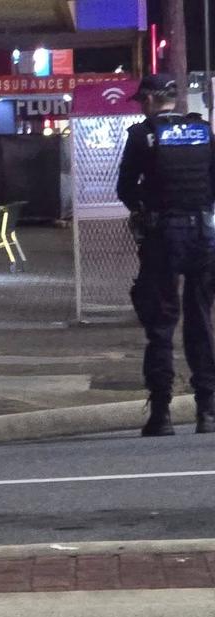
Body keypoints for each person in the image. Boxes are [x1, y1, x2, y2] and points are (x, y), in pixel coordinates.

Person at [116, 74, 215, 436]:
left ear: (149, 100)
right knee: (201, 321)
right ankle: (208, 410)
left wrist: (145, 208)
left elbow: (125, 188)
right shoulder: (204, 132)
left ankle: (161, 413)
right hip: (205, 237)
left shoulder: (143, 136)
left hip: (164, 237)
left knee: (161, 324)